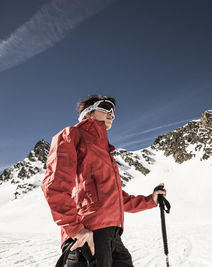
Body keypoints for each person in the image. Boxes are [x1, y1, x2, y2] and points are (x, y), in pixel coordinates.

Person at [41, 94, 166, 267]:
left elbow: (115, 198)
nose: (111, 114)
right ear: (88, 113)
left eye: (113, 111)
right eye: (106, 107)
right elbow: (54, 185)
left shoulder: (105, 151)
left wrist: (150, 201)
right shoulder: (72, 135)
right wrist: (75, 229)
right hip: (89, 234)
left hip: (113, 236)